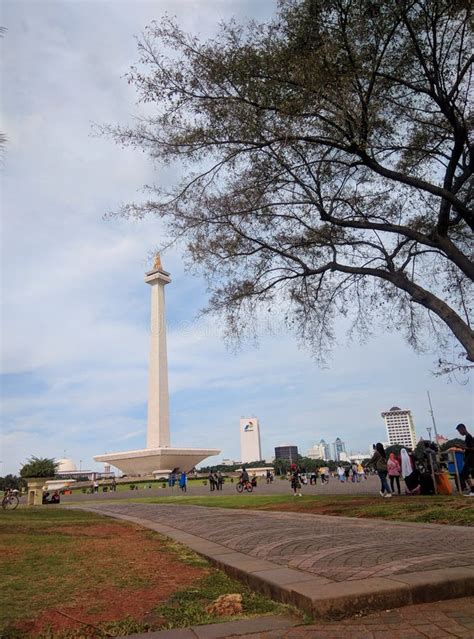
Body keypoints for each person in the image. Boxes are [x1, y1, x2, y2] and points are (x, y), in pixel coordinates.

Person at [456, 423, 474, 496]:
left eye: (459, 431)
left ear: (462, 429)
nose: (459, 433)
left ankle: (473, 490)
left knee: (464, 474)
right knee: (468, 474)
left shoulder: (469, 437)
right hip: (470, 457)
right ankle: (472, 489)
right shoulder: (467, 437)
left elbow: (472, 448)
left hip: (471, 458)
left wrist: (462, 447)